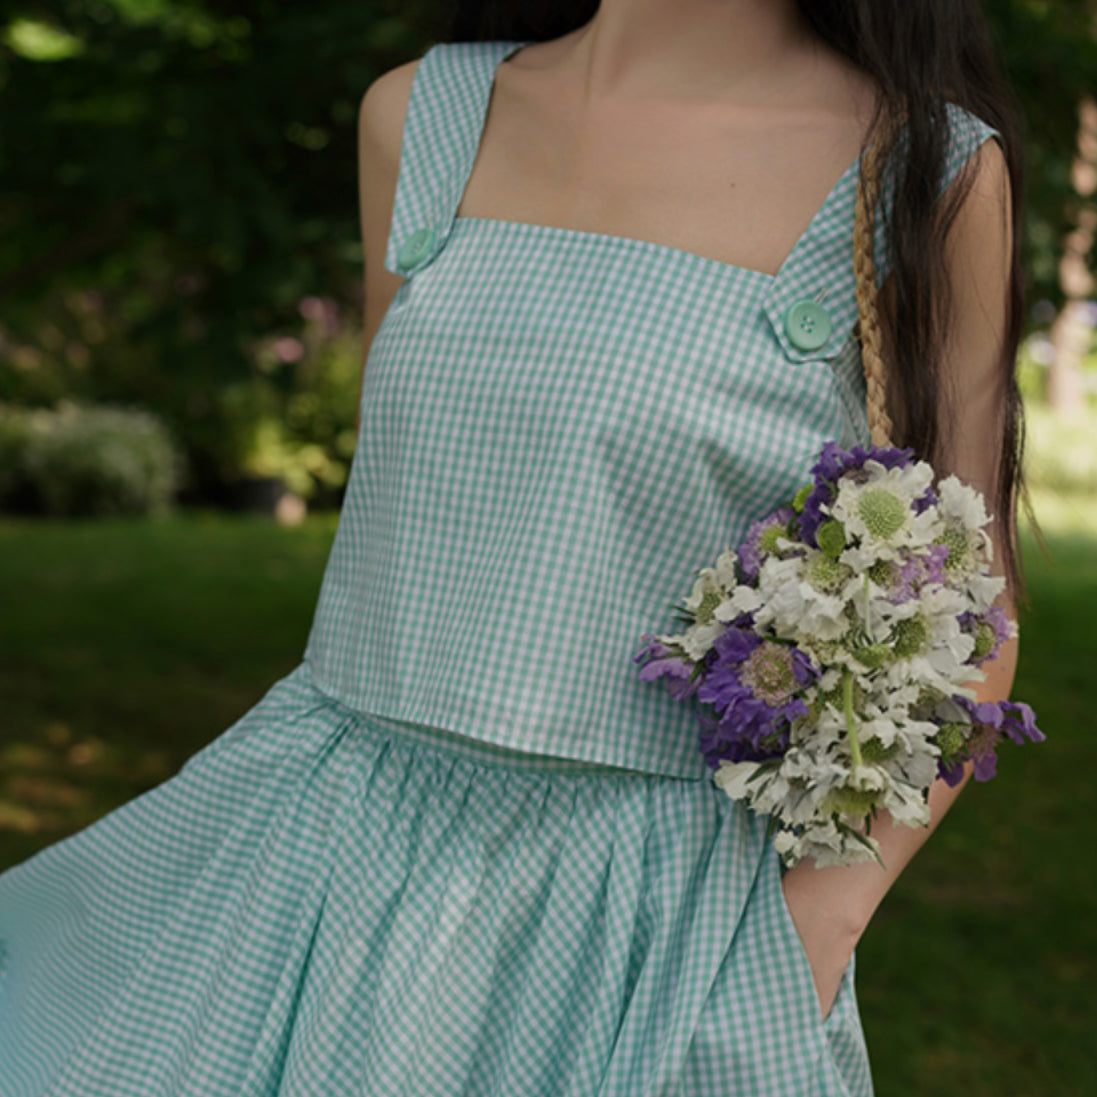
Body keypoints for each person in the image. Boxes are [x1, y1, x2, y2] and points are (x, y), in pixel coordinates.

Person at [0, 1, 1029, 1095]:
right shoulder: (420, 118)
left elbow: (977, 611)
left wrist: (809, 933)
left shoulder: (925, 173)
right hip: (322, 867)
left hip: (648, 929)